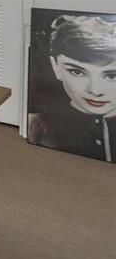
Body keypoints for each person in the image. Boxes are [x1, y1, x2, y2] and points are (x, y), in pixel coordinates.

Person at [28, 14, 116, 163]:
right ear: (56, 66)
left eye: (112, 76)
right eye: (77, 72)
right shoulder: (37, 126)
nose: (95, 90)